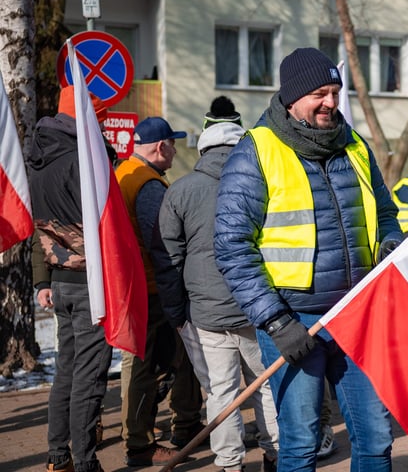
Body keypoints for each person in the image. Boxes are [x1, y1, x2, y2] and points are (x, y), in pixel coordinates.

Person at [214, 47, 402, 471]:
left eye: (335, 91)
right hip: (293, 323)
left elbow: (385, 212)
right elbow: (231, 245)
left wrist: (390, 243)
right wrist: (277, 322)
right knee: (299, 446)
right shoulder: (256, 150)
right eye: (321, 93)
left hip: (357, 316)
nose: (331, 103)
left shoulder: (354, 145)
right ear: (292, 98)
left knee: (375, 440)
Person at [150, 97, 280, 472]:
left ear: (204, 144)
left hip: (206, 313)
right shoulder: (266, 180)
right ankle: (274, 455)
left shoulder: (180, 190)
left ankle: (229, 464)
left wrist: (176, 310)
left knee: (222, 392)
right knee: (266, 386)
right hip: (257, 307)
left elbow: (168, 259)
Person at [27, 86, 112, 472]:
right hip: (89, 279)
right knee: (88, 375)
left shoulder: (40, 157)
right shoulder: (82, 158)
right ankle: (85, 462)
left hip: (61, 278)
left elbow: (38, 227)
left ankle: (58, 456)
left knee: (66, 370)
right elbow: (104, 221)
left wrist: (42, 279)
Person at [115, 116, 204, 466]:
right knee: (148, 366)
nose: (175, 149)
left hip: (133, 283)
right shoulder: (148, 184)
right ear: (160, 146)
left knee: (143, 363)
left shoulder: (124, 173)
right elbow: (163, 243)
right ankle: (141, 443)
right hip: (151, 286)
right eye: (173, 143)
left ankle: (144, 436)